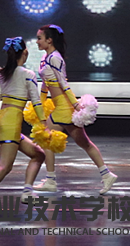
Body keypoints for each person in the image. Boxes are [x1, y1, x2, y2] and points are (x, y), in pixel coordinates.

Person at [33, 24, 117, 195]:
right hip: (60, 105)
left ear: (49, 40)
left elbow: (63, 84)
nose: (37, 41)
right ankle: (106, 174)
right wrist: (40, 103)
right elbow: (45, 84)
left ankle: (51, 180)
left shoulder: (55, 58)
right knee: (83, 143)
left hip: (64, 106)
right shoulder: (45, 57)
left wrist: (76, 105)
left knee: (46, 138)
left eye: (39, 38)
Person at [0, 37, 46, 203]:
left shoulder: (3, 76)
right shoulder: (28, 74)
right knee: (4, 166)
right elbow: (36, 102)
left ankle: (27, 192)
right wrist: (44, 123)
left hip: (2, 121)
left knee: (38, 154)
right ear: (25, 53)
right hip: (11, 123)